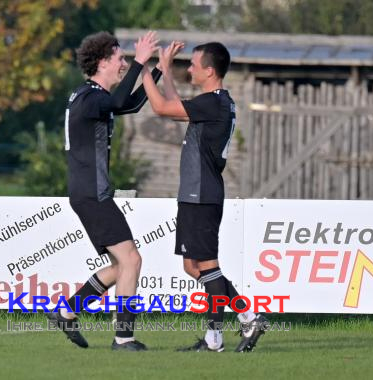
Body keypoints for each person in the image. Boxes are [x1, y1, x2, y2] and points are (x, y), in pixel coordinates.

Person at [141, 41, 268, 352]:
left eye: (195, 65)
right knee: (193, 267)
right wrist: (165, 69)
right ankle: (247, 317)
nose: (191, 69)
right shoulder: (213, 103)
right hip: (195, 194)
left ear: (210, 71)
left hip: (202, 194)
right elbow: (175, 107)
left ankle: (220, 335)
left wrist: (143, 68)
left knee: (208, 266)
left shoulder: (213, 103)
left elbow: (160, 107)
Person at [47, 31, 160, 351]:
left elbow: (132, 102)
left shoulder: (94, 96)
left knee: (121, 265)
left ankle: (67, 311)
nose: (124, 63)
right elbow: (122, 100)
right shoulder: (90, 96)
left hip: (91, 192)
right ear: (102, 62)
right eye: (120, 58)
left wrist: (159, 68)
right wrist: (141, 61)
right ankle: (123, 338)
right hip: (92, 193)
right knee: (132, 260)